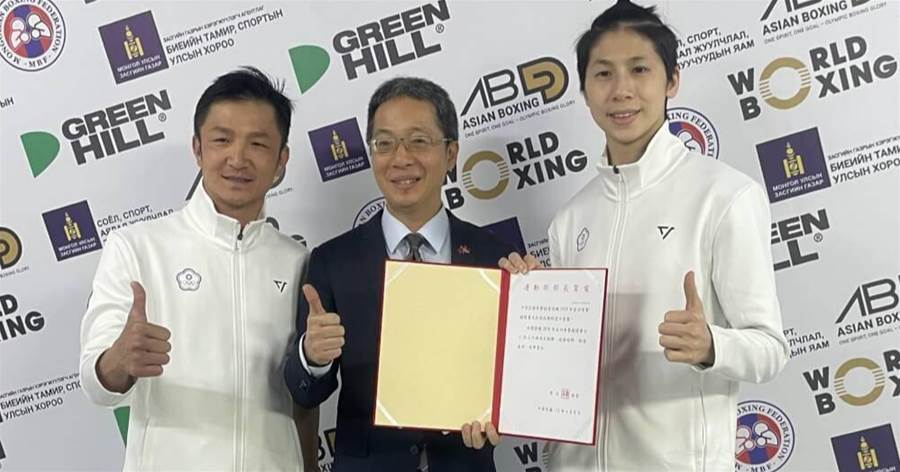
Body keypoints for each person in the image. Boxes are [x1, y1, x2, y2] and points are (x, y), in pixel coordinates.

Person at [502, 1, 789, 470]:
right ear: (584, 90)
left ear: (671, 80)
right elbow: (565, 365)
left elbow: (770, 349)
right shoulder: (570, 219)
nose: (621, 91)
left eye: (639, 70)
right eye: (603, 74)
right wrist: (530, 309)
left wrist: (711, 344)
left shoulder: (724, 195)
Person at [79, 67, 319, 471]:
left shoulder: (298, 261)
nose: (237, 158)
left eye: (258, 144)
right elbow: (96, 384)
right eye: (222, 140)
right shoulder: (137, 247)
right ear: (198, 148)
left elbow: (303, 395)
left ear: (281, 159)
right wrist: (119, 359)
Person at [284, 77, 511, 471]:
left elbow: (516, 379)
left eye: (419, 141)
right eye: (385, 143)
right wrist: (312, 356)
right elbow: (305, 394)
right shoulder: (333, 262)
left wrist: (503, 412)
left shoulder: (495, 258)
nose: (401, 158)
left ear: (451, 153)